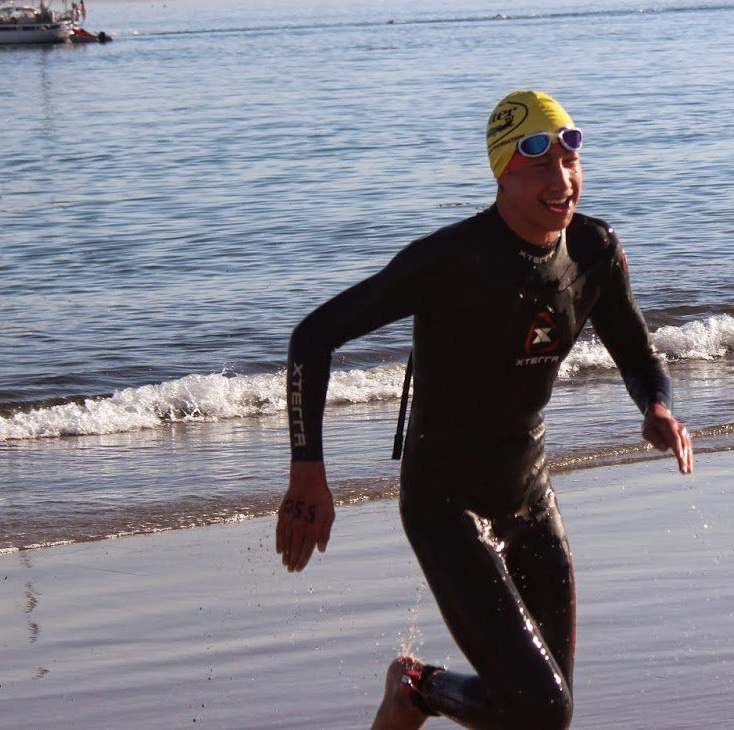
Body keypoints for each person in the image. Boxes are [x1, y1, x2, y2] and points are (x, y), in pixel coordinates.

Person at [276, 89, 694, 730]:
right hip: (446, 503)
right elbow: (312, 337)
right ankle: (416, 688)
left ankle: (412, 695)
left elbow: (639, 356)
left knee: (540, 712)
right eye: (540, 166)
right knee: (542, 708)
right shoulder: (451, 259)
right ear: (503, 173)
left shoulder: (593, 251)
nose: (561, 181)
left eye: (570, 162)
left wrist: (657, 407)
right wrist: (308, 473)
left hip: (530, 495)